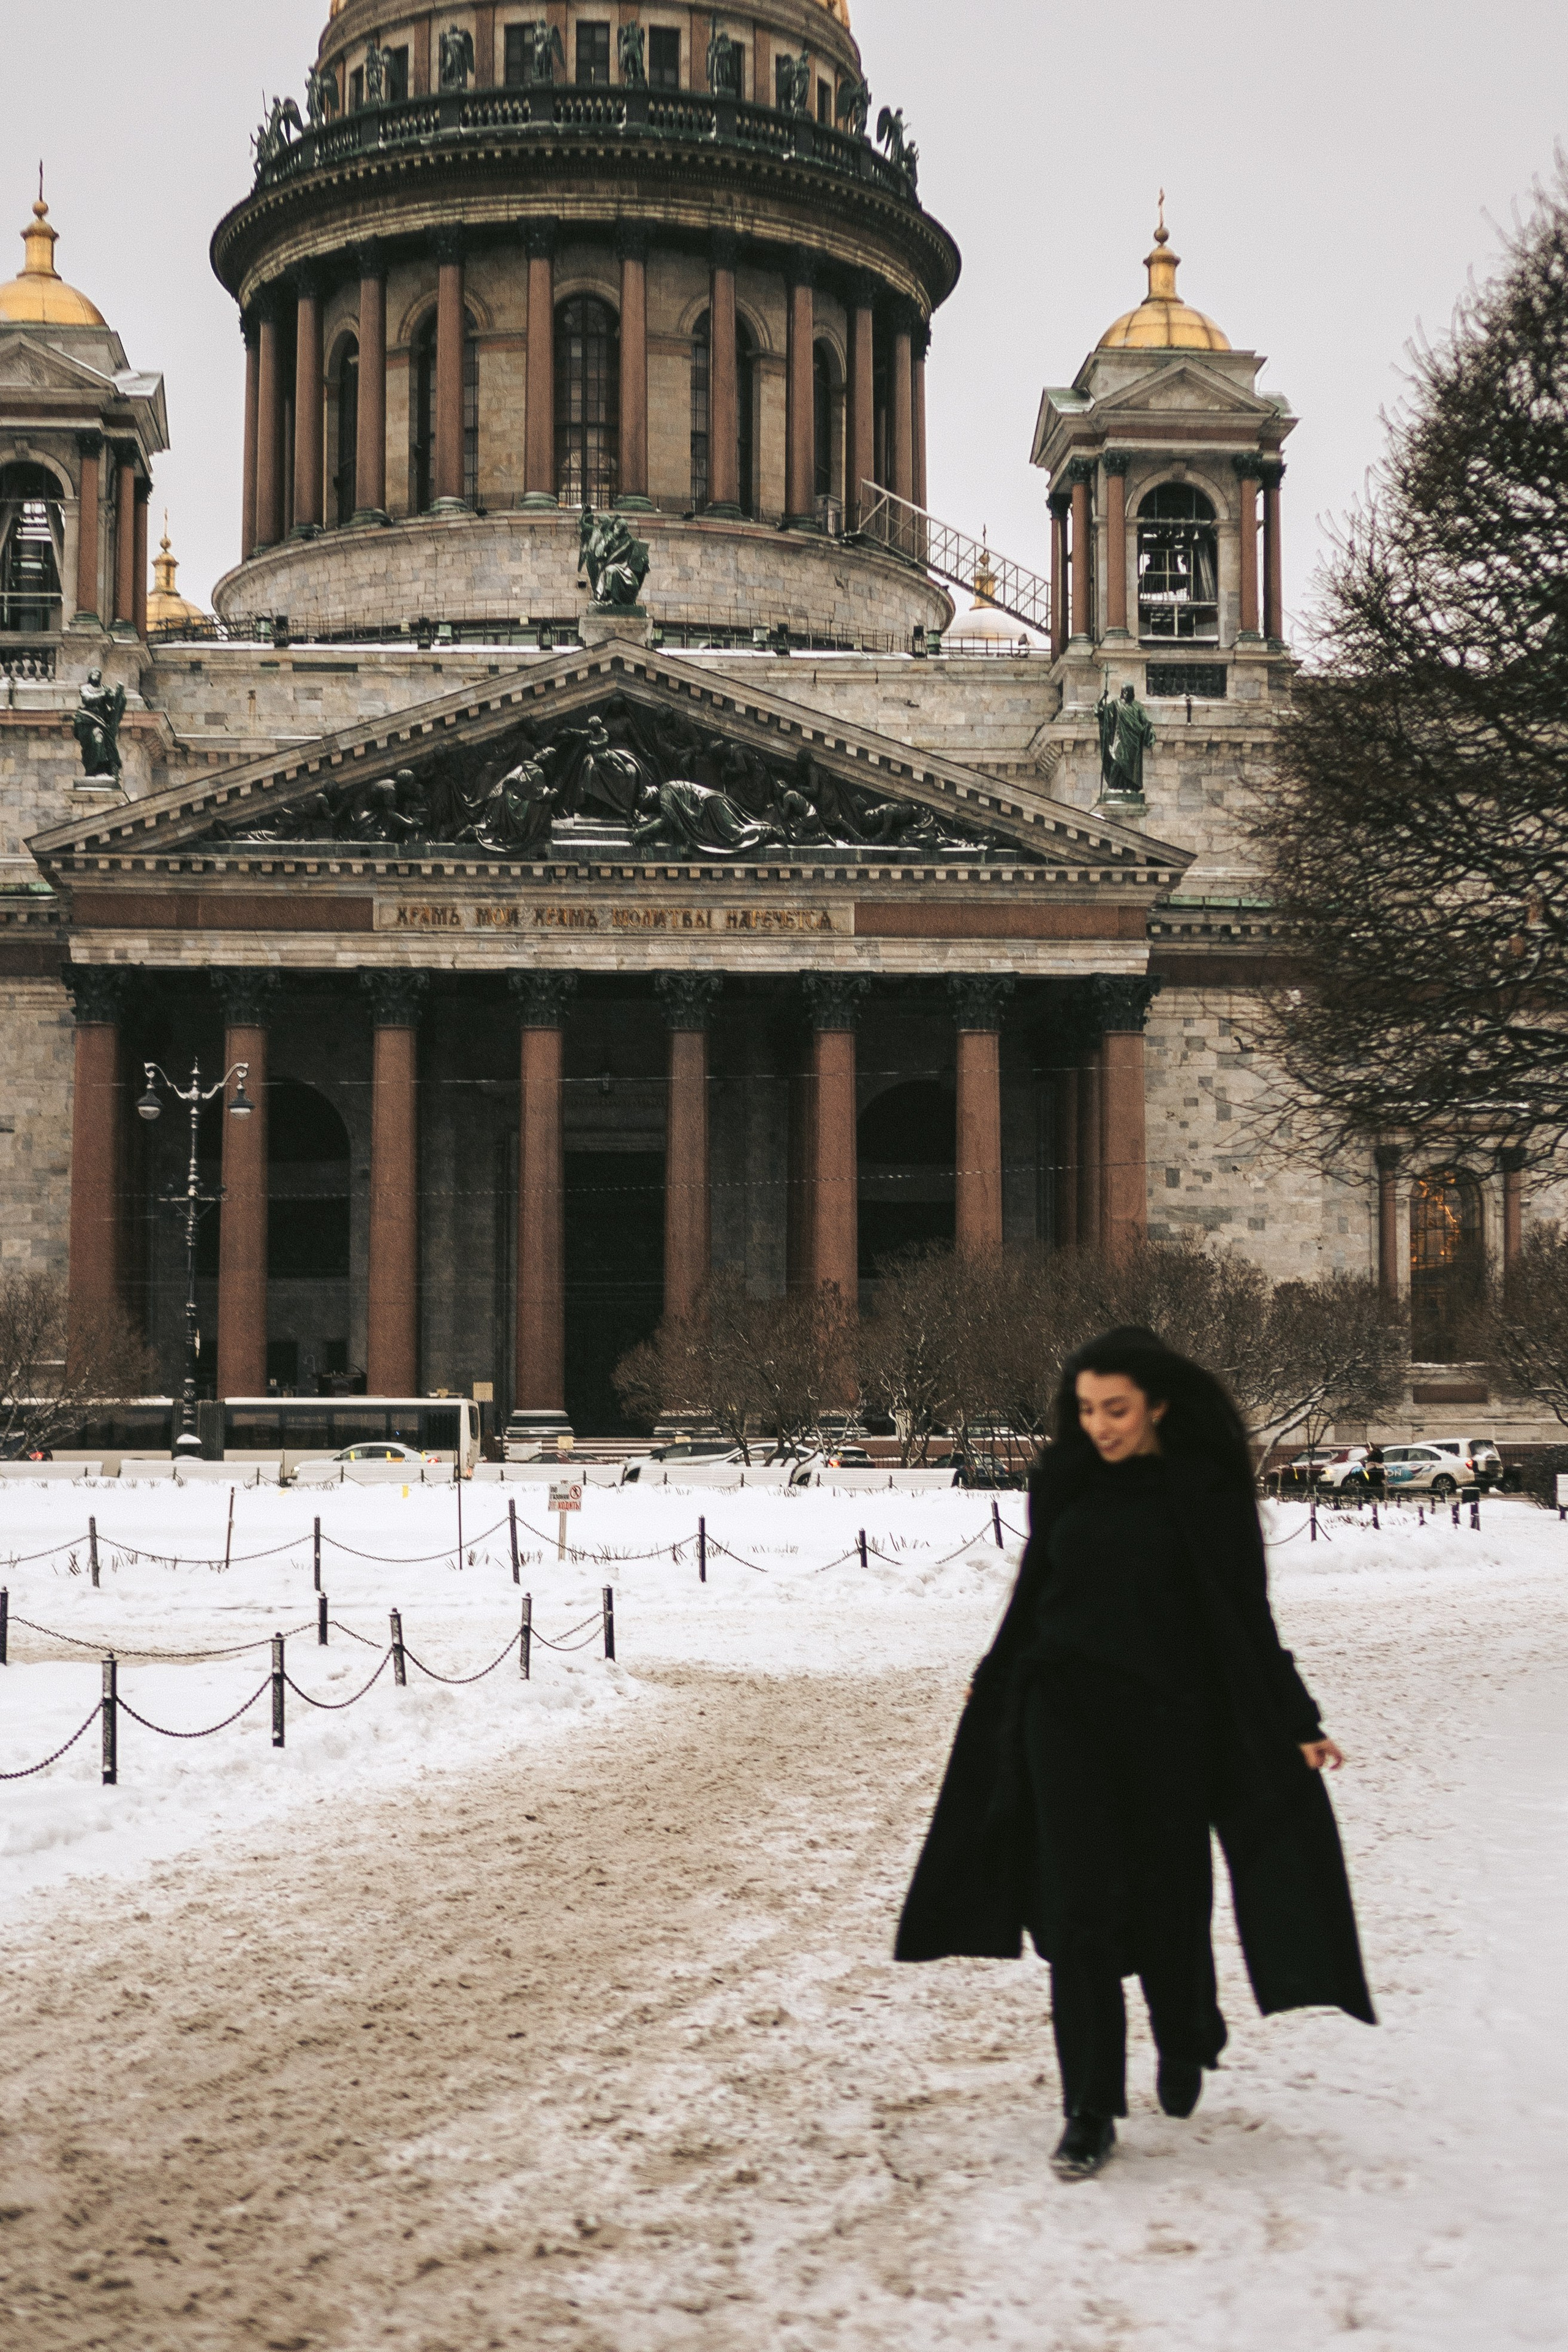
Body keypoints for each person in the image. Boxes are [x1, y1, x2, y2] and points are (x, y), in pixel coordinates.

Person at [895, 1327, 1374, 2182]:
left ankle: (1185, 2031)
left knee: (1169, 1898)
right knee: (1077, 1909)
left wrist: (1297, 1719)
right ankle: (1088, 2109)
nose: (1099, 1426)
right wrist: (994, 1680)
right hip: (1063, 1716)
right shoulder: (1066, 1478)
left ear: (1156, 1405)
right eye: (1086, 1410)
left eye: (1114, 1409)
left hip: (1170, 1724)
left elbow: (1245, 1616)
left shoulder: (1203, 1490)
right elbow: (1035, 1591)